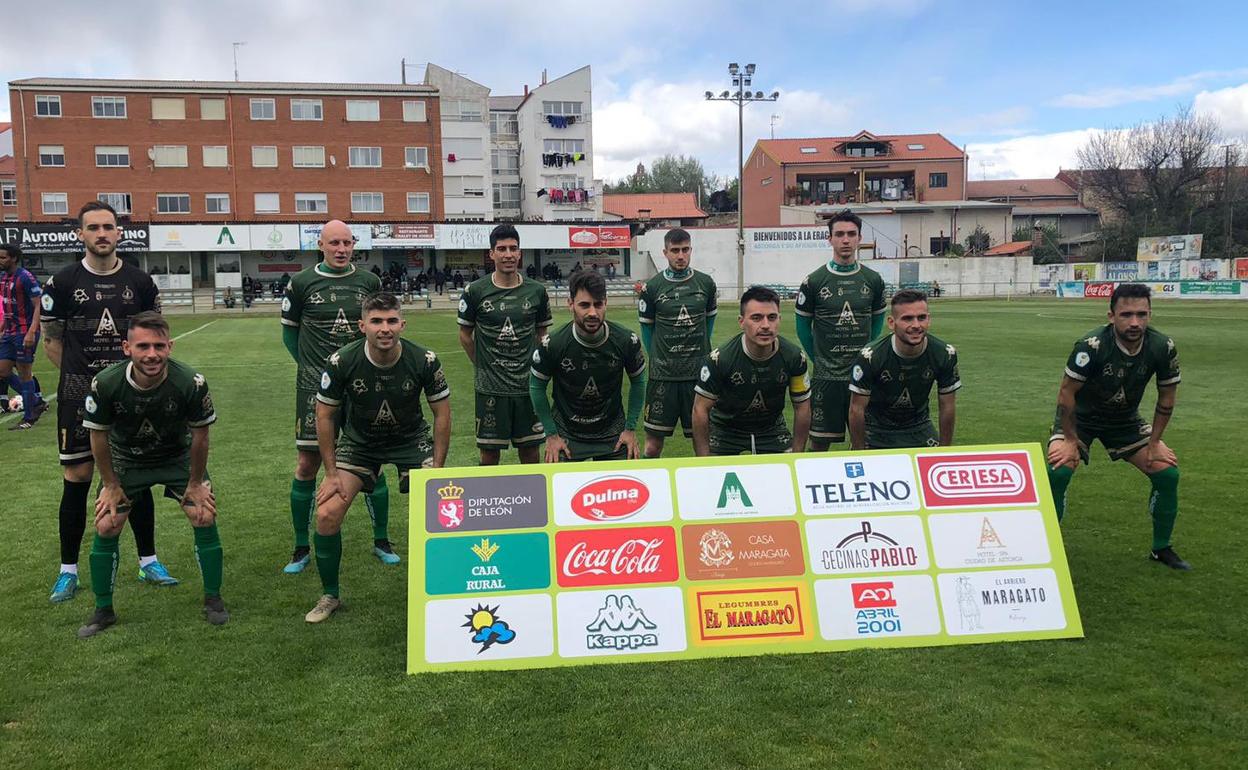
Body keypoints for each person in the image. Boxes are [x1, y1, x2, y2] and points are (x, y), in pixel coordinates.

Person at [41, 201, 172, 603]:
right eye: (93, 227)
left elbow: (152, 340)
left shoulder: (141, 282)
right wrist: (90, 382)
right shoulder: (60, 284)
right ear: (80, 234)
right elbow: (52, 342)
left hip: (131, 398)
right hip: (77, 397)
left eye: (108, 227)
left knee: (136, 476)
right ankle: (68, 571)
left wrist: (123, 384)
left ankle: (148, 560)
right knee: (77, 479)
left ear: (119, 233)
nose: (102, 234)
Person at [75, 312, 227, 637]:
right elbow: (98, 436)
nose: (152, 354)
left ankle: (213, 599)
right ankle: (103, 610)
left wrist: (196, 483)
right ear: (126, 347)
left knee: (204, 515)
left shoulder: (191, 382)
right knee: (107, 523)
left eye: (159, 346)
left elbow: (200, 435)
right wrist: (111, 485)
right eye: (143, 346)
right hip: (128, 460)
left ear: (170, 346)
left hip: (176, 458)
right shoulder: (106, 383)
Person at [305, 292, 450, 622]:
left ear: (402, 323)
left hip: (411, 442)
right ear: (362, 326)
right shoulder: (342, 361)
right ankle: (330, 595)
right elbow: (324, 416)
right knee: (327, 513)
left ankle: (443, 590)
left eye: (391, 321)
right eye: (376, 321)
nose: (384, 328)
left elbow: (442, 414)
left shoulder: (424, 359)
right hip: (360, 444)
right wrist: (329, 473)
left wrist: (438, 469)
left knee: (443, 511)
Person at [1045, 283, 1189, 570]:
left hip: (1124, 421)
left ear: (1150, 314)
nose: (1134, 322)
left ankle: (1161, 548)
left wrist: (1155, 442)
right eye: (1126, 315)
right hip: (1080, 420)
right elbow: (1066, 393)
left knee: (1168, 474)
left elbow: (1167, 397)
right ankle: (1046, 548)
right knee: (1058, 470)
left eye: (1141, 314)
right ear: (1111, 316)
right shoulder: (1090, 346)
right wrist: (1070, 440)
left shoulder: (1162, 347)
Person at [280, 220, 388, 575]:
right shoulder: (301, 283)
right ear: (321, 245)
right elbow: (290, 337)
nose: (341, 249)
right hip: (314, 388)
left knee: (372, 459)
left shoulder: (369, 282)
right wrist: (318, 373)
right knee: (307, 464)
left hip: (362, 387)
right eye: (334, 243)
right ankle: (300, 546)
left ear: (353, 245)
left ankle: (382, 539)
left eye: (347, 242)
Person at [458, 224, 553, 466]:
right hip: (490, 389)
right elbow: (465, 335)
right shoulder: (475, 291)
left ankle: (532, 503)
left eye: (513, 248)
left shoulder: (537, 291)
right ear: (491, 254)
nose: (508, 254)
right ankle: (489, 502)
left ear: (520, 252)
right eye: (501, 249)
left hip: (527, 387)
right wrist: (483, 365)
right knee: (489, 456)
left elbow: (542, 334)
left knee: (531, 453)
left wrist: (538, 369)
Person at [530, 270, 646, 462]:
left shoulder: (626, 340)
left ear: (606, 303)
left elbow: (639, 382)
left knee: (621, 489)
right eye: (584, 305)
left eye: (598, 304)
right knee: (562, 490)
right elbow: (536, 387)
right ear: (570, 304)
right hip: (566, 435)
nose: (592, 312)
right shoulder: (553, 344)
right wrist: (551, 435)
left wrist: (630, 428)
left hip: (613, 434)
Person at [795, 210, 887, 450]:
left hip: (864, 375)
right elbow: (802, 326)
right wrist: (820, 359)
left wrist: (867, 353)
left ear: (859, 238)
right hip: (827, 378)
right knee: (818, 444)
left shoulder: (873, 280)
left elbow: (878, 321)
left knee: (866, 442)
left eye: (851, 234)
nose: (845, 240)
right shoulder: (813, 281)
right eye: (839, 234)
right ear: (830, 239)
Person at [692, 286, 810, 456]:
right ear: (741, 321)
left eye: (772, 317)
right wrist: (703, 461)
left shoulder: (795, 357)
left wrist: (797, 455)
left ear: (780, 319)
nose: (765, 325)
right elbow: (700, 409)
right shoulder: (720, 360)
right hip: (725, 431)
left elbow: (802, 406)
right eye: (756, 318)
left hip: (772, 430)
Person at [637, 228, 718, 457]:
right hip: (663, 376)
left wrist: (700, 355)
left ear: (691, 250)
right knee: (653, 446)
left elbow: (708, 325)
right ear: (665, 252)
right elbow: (647, 330)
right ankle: (650, 489)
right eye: (675, 251)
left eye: (684, 250)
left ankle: (705, 489)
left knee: (703, 444)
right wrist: (659, 359)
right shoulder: (652, 288)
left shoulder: (705, 283)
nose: (680, 256)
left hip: (698, 376)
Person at [847, 289, 960, 449]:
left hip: (919, 428)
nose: (916, 325)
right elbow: (856, 409)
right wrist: (859, 454)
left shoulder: (944, 354)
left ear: (929, 319)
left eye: (922, 318)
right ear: (891, 323)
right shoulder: (870, 357)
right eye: (907, 319)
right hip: (876, 431)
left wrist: (944, 451)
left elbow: (947, 405)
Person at [0, 242, 49, 429]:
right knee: (3, 371)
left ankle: (29, 418)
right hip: (10, 331)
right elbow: (7, 305)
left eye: (3, 257)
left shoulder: (25, 277)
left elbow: (39, 304)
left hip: (24, 331)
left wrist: (32, 330)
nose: (0, 260)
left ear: (13, 258)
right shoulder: (3, 278)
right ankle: (36, 401)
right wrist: (3, 325)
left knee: (24, 373)